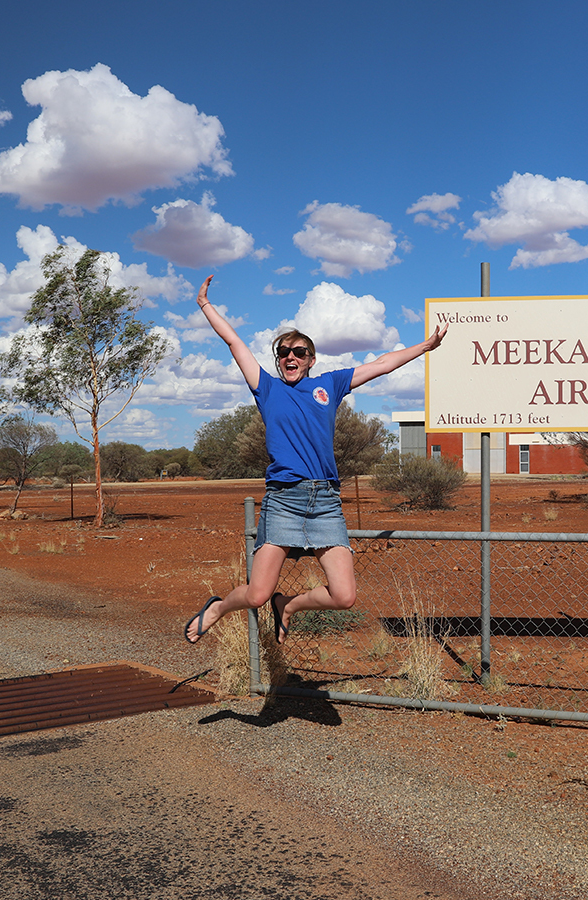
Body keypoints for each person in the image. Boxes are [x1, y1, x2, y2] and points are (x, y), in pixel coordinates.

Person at [185, 274, 447, 645]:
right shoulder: (266, 387)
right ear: (278, 360)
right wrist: (205, 305)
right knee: (257, 594)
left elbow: (383, 364)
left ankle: (288, 605)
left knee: (344, 596)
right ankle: (216, 608)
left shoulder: (330, 385)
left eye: (299, 352)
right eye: (284, 353)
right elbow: (234, 341)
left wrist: (426, 346)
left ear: (311, 359)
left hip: (325, 502)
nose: (290, 357)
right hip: (284, 500)